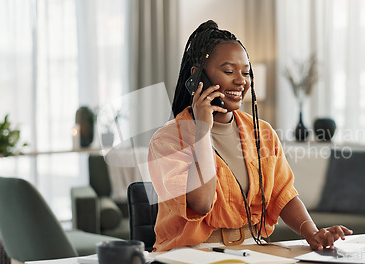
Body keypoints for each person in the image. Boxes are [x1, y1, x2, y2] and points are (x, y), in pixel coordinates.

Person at [148, 20, 352, 252]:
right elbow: (201, 203)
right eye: (228, 71)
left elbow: (282, 194)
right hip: (191, 254)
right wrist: (203, 129)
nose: (241, 80)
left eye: (246, 72)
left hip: (251, 249)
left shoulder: (262, 132)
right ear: (197, 76)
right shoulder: (167, 140)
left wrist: (312, 232)